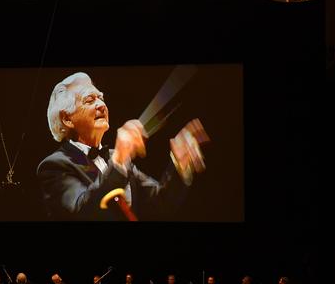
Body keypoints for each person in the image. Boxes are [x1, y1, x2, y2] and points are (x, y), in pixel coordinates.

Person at [37, 72, 207, 221]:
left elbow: (160, 205)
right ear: (67, 119)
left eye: (101, 98)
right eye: (90, 100)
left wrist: (179, 165)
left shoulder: (114, 157)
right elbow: (84, 213)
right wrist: (118, 161)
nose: (101, 105)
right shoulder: (53, 166)